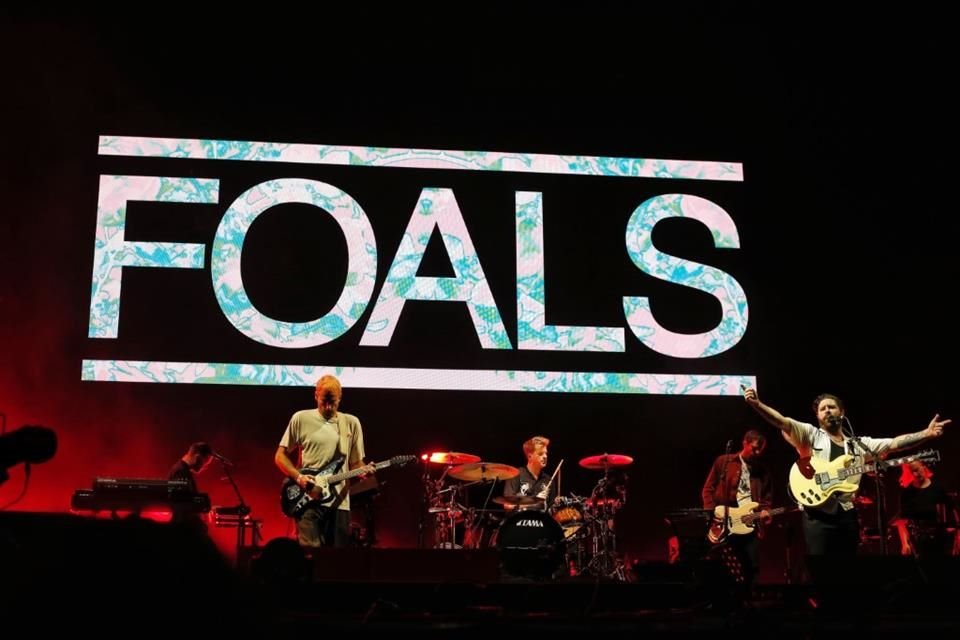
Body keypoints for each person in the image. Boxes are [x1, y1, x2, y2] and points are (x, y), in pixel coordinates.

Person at [743, 387, 950, 584]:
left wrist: (926, 434)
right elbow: (782, 422)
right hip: (817, 514)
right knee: (821, 571)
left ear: (842, 412)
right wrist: (757, 404)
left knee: (847, 571)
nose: (827, 411)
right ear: (818, 416)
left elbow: (894, 443)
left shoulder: (858, 445)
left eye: (831, 407)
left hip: (846, 515)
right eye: (822, 409)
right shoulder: (811, 435)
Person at [275, 375, 371, 548]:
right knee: (310, 554)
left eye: (332, 402)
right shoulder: (301, 418)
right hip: (308, 500)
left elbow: (356, 463)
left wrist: (364, 471)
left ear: (340, 398)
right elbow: (280, 456)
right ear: (316, 396)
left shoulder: (351, 423)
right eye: (323, 401)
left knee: (335, 560)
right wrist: (299, 478)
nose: (328, 407)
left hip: (339, 503)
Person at [700, 430, 774, 588]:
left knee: (751, 565)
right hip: (725, 521)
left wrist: (766, 511)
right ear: (745, 443)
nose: (757, 453)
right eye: (754, 448)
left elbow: (766, 499)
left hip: (749, 522)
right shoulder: (724, 462)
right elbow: (708, 489)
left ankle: (749, 596)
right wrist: (711, 514)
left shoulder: (762, 471)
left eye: (760, 450)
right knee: (721, 565)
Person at [892, 459, 959, 558]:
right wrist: (904, 543)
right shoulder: (907, 494)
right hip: (918, 541)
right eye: (912, 471)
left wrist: (958, 534)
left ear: (924, 467)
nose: (916, 474)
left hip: (939, 538)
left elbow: (953, 509)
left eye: (917, 469)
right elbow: (902, 521)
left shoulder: (937, 488)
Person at [167, 441, 214, 530]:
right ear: (197, 457)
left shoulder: (182, 470)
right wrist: (202, 505)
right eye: (204, 463)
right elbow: (181, 502)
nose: (203, 467)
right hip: (183, 527)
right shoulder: (180, 471)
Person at [503, 435, 553, 510]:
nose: (545, 456)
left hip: (541, 517)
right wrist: (534, 502)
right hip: (521, 517)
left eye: (546, 453)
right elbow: (507, 506)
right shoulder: (515, 474)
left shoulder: (548, 480)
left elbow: (551, 509)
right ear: (530, 456)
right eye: (540, 453)